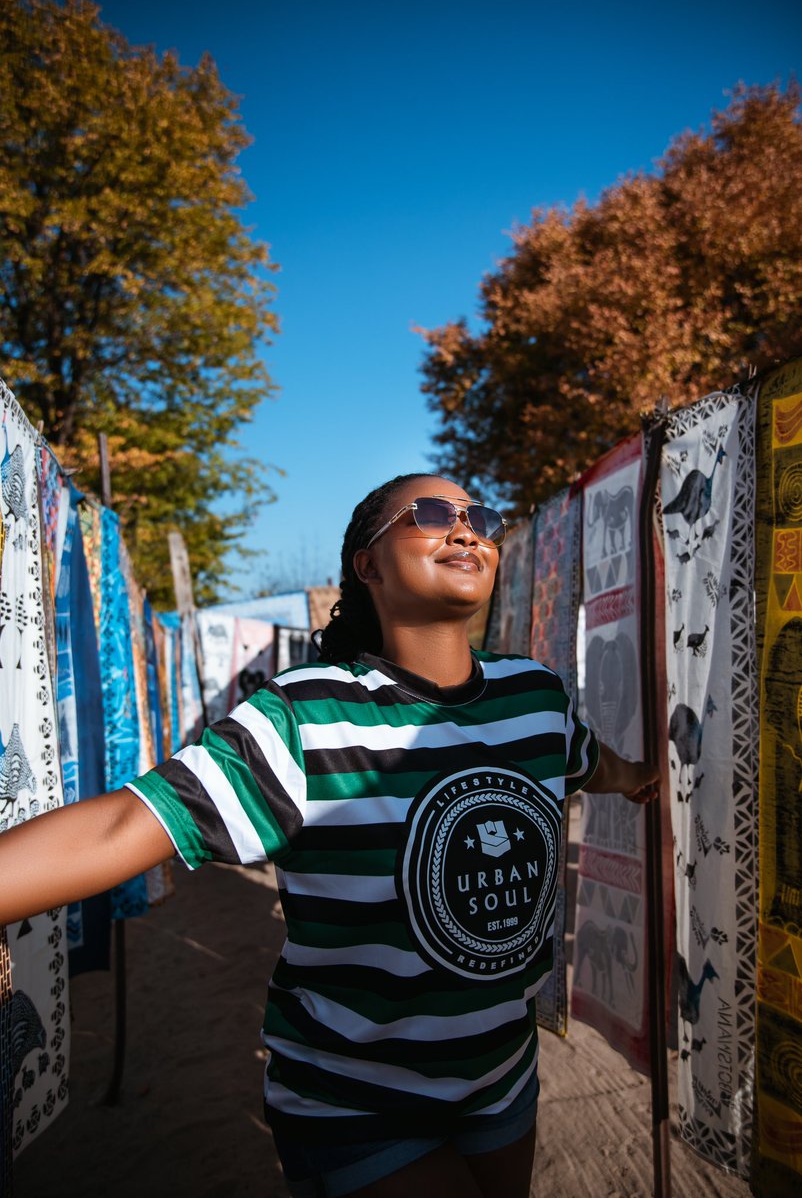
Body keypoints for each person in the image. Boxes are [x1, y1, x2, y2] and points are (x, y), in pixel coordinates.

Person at [0, 472, 658, 1198]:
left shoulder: (537, 697)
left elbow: (590, 763)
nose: (467, 529)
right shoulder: (306, 717)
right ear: (367, 564)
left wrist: (640, 777)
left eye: (481, 516)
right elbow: (126, 823)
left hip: (503, 1076)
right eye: (434, 514)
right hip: (355, 1098)